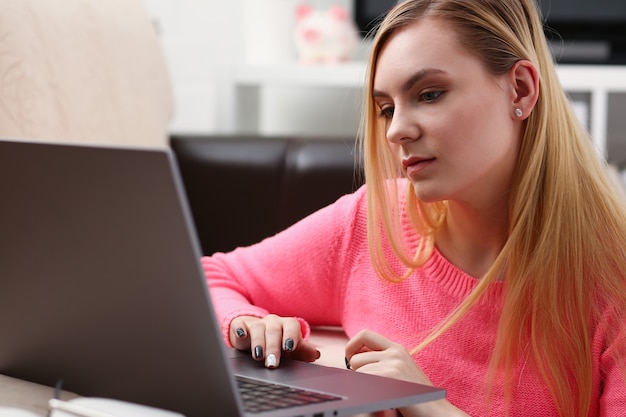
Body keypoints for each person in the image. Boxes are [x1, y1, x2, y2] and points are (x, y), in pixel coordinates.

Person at [203, 0, 626, 415]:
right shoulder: (375, 220)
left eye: (429, 94)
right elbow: (210, 277)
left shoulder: (613, 277)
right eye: (387, 109)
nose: (397, 131)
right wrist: (250, 324)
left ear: (521, 89)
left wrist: (430, 406)